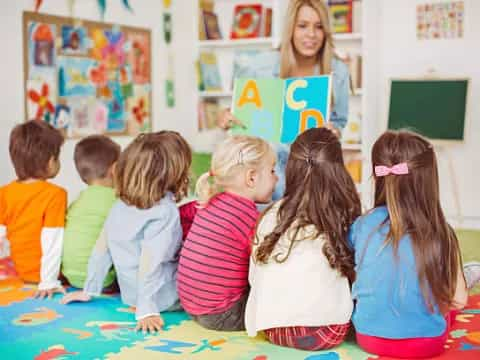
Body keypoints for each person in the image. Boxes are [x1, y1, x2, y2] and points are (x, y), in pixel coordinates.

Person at [349, 130, 468, 358]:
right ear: (429, 181)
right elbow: (459, 300)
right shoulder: (442, 232)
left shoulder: (362, 225)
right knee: (446, 295)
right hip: (427, 344)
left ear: (377, 177)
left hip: (369, 339)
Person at [61, 131, 192, 333]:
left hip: (130, 294)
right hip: (161, 297)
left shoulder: (119, 205)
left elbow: (101, 248)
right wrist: (146, 309)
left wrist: (90, 288)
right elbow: (150, 262)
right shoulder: (165, 212)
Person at [219, 0, 350, 199]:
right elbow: (240, 114)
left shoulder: (338, 71)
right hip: (263, 180)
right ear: (291, 29)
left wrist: (334, 131)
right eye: (302, 26)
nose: (311, 35)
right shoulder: (260, 66)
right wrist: (227, 117)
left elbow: (339, 121)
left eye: (319, 27)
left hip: (311, 178)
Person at [245, 128, 360, 350]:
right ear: (338, 169)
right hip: (328, 331)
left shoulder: (270, 214)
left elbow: (254, 277)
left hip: (273, 328)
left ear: (292, 168)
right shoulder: (344, 213)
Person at [177, 135, 278, 331]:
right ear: (251, 178)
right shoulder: (246, 216)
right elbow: (269, 259)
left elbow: (182, 213)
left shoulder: (209, 201)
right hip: (222, 314)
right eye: (272, 171)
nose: (277, 177)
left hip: (190, 305)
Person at [0, 120, 66, 299]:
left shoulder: (4, 193)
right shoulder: (55, 194)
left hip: (22, 272)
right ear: (51, 161)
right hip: (48, 274)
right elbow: (53, 240)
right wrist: (49, 281)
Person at [61, 135, 121, 289]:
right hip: (103, 280)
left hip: (71, 275)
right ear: (115, 169)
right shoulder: (117, 201)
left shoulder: (77, 201)